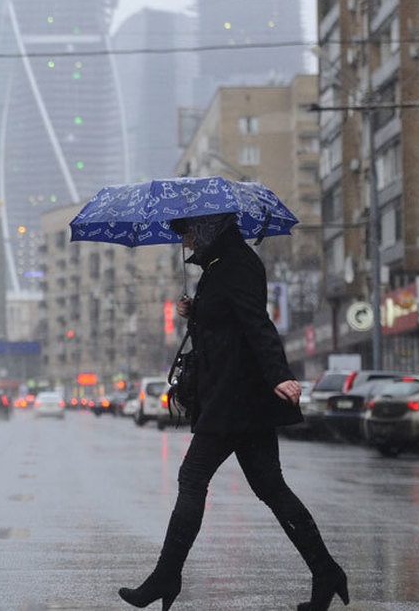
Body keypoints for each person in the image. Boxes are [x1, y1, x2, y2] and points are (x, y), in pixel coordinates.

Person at [118, 213, 349, 611]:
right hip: (239, 399)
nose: (187, 241)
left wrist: (280, 374)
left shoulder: (237, 264)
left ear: (209, 227)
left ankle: (165, 577)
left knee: (192, 478)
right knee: (272, 489)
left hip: (235, 398)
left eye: (188, 231)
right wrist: (198, 310)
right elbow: (228, 321)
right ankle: (326, 571)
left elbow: (257, 321)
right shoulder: (221, 264)